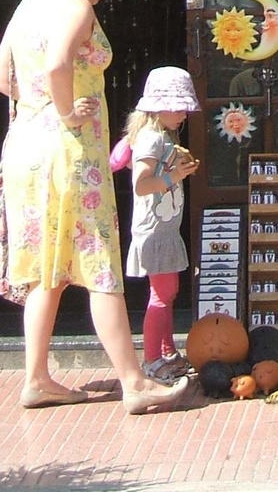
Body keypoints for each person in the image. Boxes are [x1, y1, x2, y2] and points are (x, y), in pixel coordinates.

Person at [0, 0, 194, 415]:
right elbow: (59, 62)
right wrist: (64, 111)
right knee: (100, 262)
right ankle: (134, 381)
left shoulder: (30, 2)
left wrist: (41, 107)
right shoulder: (77, 6)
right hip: (70, 153)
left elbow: (0, 78)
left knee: (46, 270)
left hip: (26, 147)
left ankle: (36, 378)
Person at [120, 66, 201, 383]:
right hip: (154, 230)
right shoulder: (151, 139)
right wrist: (174, 177)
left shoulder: (163, 137)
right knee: (161, 294)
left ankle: (167, 351)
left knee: (168, 291)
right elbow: (141, 184)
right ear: (160, 106)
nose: (183, 113)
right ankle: (153, 358)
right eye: (178, 106)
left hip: (164, 229)